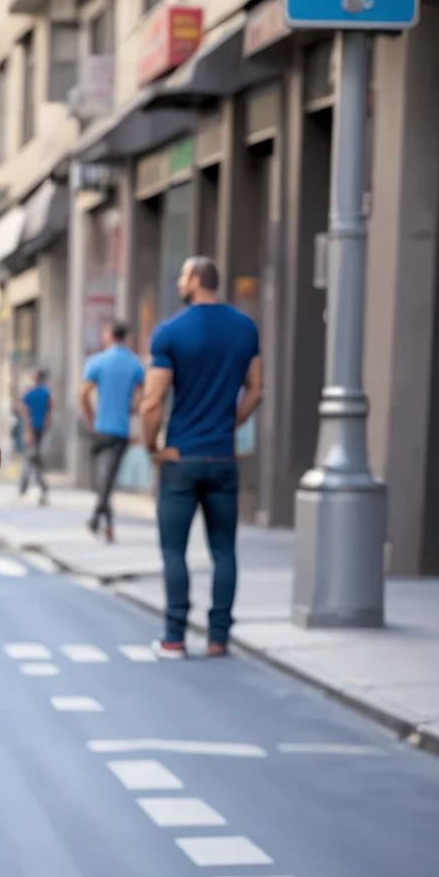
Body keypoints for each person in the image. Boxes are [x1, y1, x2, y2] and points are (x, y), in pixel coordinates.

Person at [141, 256, 263, 657]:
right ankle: (218, 638)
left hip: (181, 457)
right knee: (224, 549)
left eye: (182, 276)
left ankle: (174, 637)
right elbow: (256, 390)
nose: (179, 281)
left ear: (194, 280)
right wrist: (230, 425)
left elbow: (152, 401)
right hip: (222, 457)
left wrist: (151, 444)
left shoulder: (171, 332)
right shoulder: (245, 328)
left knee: (174, 550)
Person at [79, 321, 144, 542]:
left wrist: (91, 419)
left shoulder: (97, 362)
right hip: (121, 431)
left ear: (109, 335)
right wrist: (131, 411)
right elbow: (140, 397)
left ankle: (98, 521)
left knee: (103, 480)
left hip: (101, 429)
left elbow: (83, 394)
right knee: (107, 480)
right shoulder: (135, 364)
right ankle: (103, 524)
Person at [18, 368, 51, 503]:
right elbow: (50, 409)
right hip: (39, 428)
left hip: (32, 427)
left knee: (32, 456)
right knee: (33, 456)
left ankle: (27, 485)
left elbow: (21, 406)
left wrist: (26, 423)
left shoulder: (30, 392)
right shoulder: (45, 392)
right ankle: (35, 485)